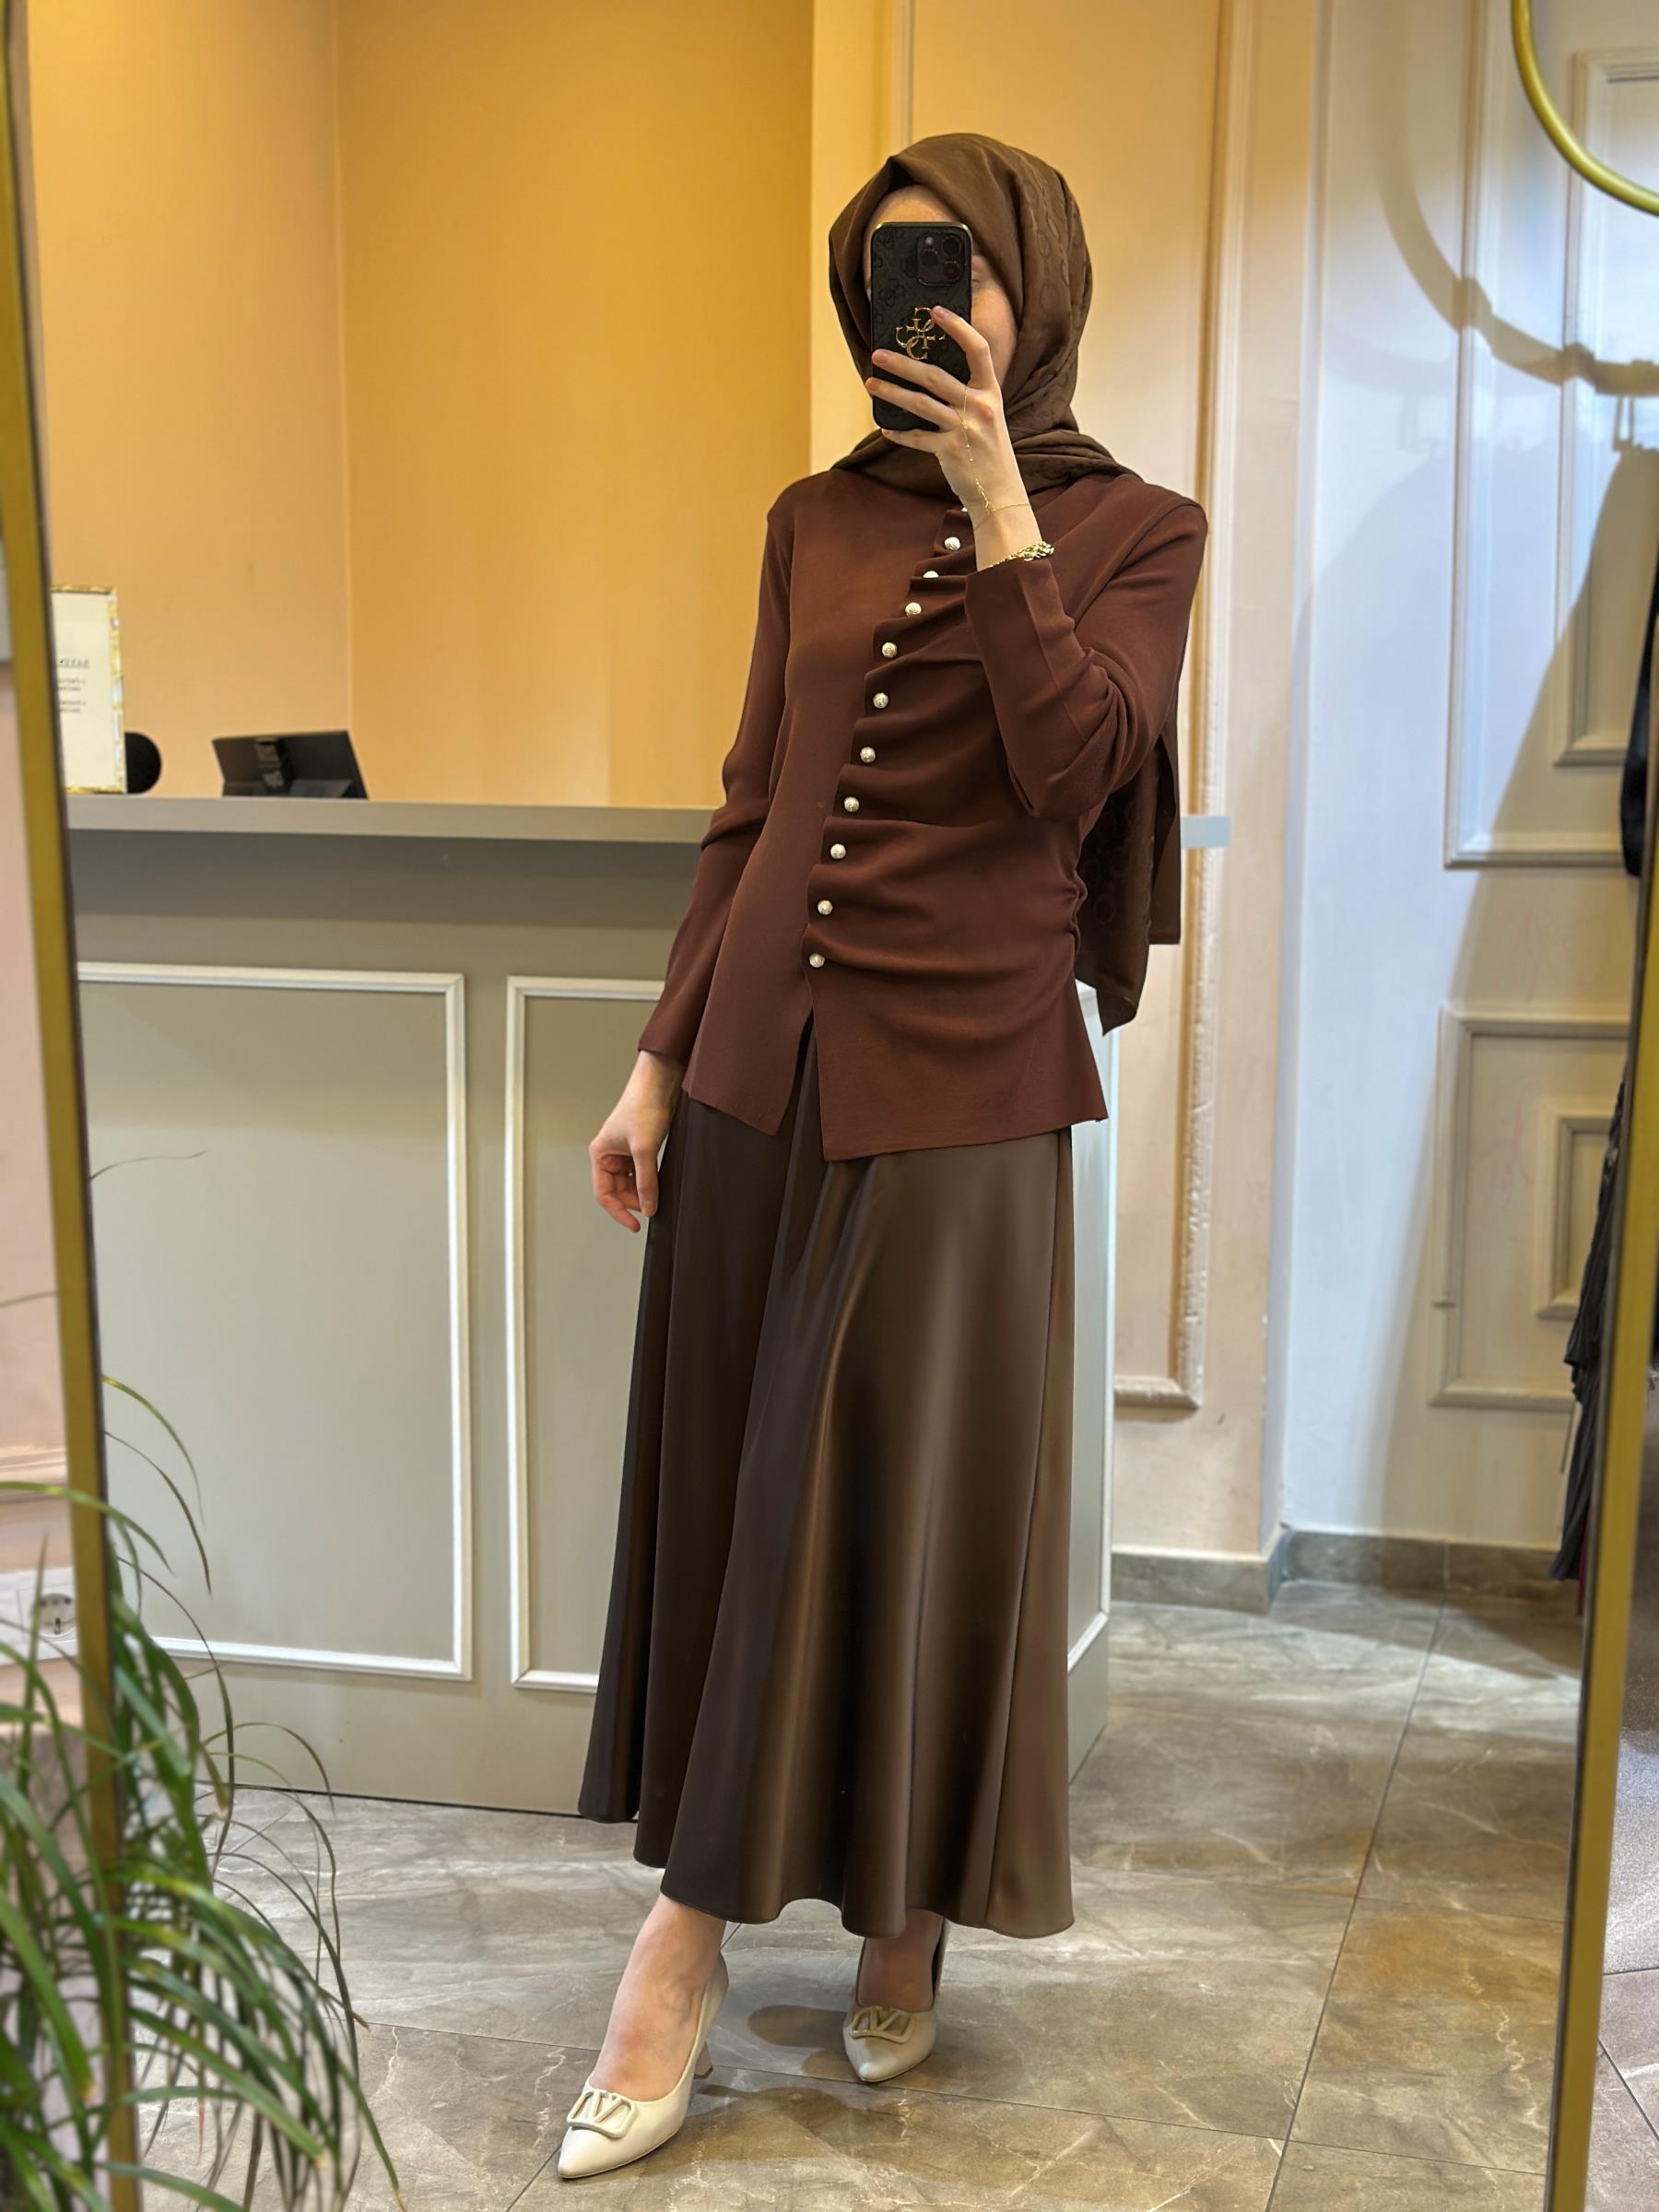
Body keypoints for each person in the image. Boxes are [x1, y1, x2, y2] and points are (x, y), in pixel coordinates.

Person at [557, 130, 1208, 2182]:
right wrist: (657, 1058)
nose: (906, 311)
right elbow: (753, 804)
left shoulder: (1139, 530)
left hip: (970, 1086)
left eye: (946, 271)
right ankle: (865, 1923)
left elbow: (1079, 767)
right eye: (878, 278)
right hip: (763, 1069)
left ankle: (688, 1957)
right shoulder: (810, 519)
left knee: (894, 1506)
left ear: (1033, 284)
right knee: (758, 1501)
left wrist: (1008, 504)